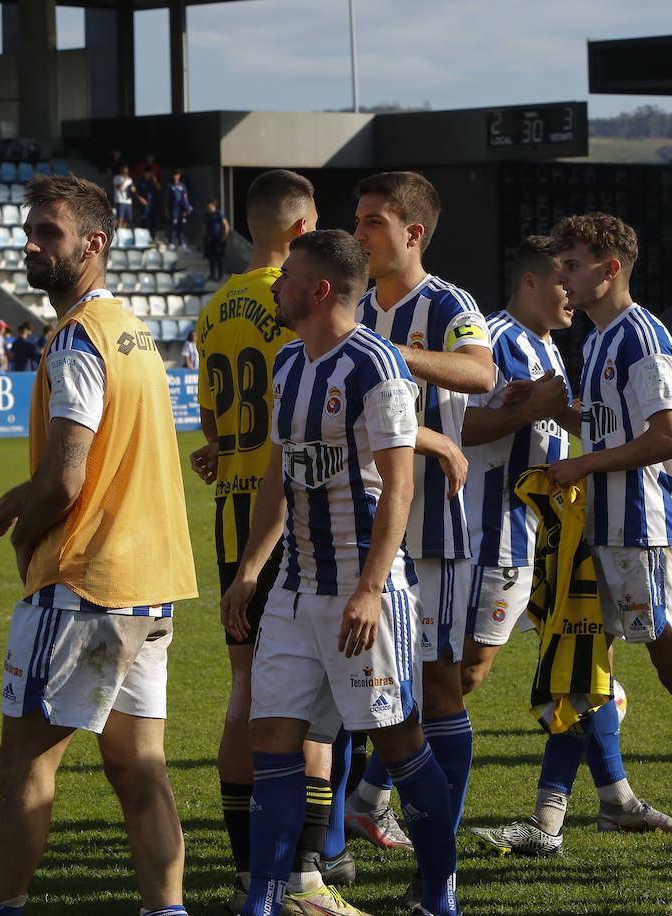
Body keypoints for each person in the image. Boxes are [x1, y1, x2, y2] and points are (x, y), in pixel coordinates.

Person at [0, 173, 197, 916]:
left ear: (93, 243)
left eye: (47, 233)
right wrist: (6, 506)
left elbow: (64, 479)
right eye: (30, 229)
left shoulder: (78, 340)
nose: (30, 243)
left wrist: (19, 532)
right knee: (138, 767)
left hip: (88, 584)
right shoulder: (129, 327)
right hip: (149, 582)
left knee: (23, 762)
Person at [223, 228, 459, 916]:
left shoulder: (377, 366)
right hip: (295, 588)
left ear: (320, 289)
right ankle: (264, 902)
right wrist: (249, 572)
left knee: (398, 740)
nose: (276, 284)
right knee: (272, 738)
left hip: (365, 589)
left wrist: (368, 589)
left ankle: (441, 895)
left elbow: (399, 487)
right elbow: (277, 479)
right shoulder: (289, 361)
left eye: (288, 274)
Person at [532, 211, 672, 854]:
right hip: (599, 530)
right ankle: (550, 821)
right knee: (583, 661)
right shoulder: (601, 339)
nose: (563, 277)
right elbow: (614, 427)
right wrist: (562, 413)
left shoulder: (643, 340)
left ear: (610, 268)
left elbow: (666, 439)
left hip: (644, 534)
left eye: (573, 264)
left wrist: (579, 461)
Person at [459, 236, 672, 856]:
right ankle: (372, 789)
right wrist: (527, 412)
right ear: (531, 282)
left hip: (548, 535)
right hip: (494, 527)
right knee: (466, 673)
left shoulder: (555, 348)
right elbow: (456, 425)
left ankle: (606, 801)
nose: (568, 290)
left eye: (574, 272)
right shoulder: (493, 339)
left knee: (586, 667)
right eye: (559, 276)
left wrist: (562, 420)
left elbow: (570, 424)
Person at [187, 171, 351, 909]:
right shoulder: (298, 299)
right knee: (312, 702)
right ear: (304, 225)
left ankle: (251, 870)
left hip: (232, 516)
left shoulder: (215, 309)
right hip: (295, 516)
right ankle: (308, 875)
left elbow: (216, 434)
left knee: (246, 692)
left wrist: (224, 453)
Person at [345, 171, 490, 870]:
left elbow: (480, 374)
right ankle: (345, 828)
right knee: (357, 685)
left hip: (432, 530)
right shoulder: (353, 304)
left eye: (374, 221)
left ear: (413, 232)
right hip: (359, 528)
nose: (360, 233)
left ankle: (439, 850)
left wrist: (384, 356)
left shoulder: (449, 302)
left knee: (438, 686)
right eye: (358, 220)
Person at [204, 198, 229, 282]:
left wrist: (224, 237)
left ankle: (220, 276)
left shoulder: (218, 213)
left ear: (213, 204)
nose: (207, 206)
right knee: (211, 258)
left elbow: (226, 225)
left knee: (219, 259)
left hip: (218, 239)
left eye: (209, 204)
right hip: (210, 239)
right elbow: (205, 228)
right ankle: (212, 274)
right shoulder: (207, 214)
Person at [167, 171, 192, 248]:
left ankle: (181, 242)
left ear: (179, 176)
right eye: (174, 175)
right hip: (174, 209)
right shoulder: (170, 186)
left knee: (181, 226)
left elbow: (185, 197)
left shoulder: (182, 186)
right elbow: (167, 198)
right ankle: (171, 242)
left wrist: (186, 209)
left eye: (177, 175)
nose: (176, 177)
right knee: (173, 224)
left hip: (181, 209)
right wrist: (166, 209)